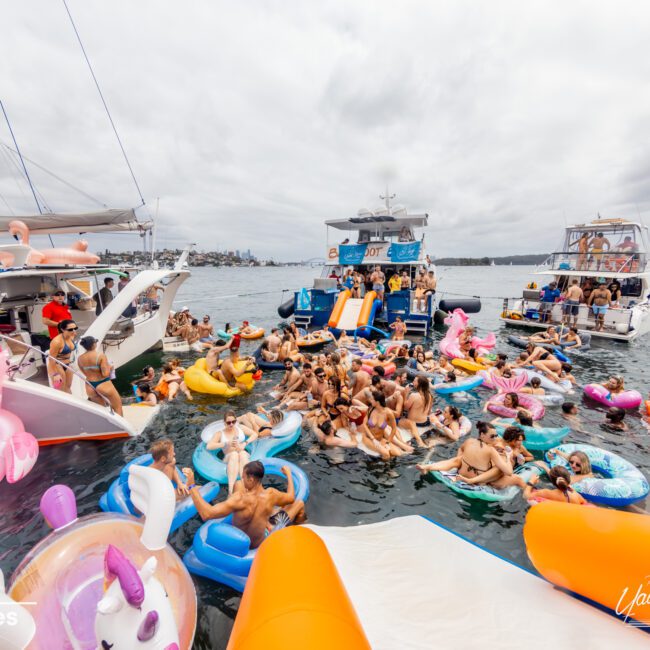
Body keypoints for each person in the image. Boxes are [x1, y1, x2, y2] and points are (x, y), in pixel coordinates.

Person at [183, 461, 306, 549]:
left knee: (279, 510)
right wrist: (289, 474)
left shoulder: (239, 499)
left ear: (251, 479)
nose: (242, 479)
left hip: (239, 543)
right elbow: (291, 497)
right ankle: (296, 529)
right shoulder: (271, 494)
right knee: (299, 504)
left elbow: (207, 514)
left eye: (243, 477)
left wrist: (192, 486)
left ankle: (275, 524)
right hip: (260, 543)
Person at [416, 421, 520, 489]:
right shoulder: (491, 450)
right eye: (492, 436)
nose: (495, 438)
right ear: (482, 435)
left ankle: (428, 467)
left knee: (458, 459)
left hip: (462, 471)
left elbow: (461, 449)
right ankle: (471, 481)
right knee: (499, 469)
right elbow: (509, 472)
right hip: (475, 477)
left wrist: (461, 461)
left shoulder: (470, 441)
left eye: (496, 435)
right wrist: (507, 456)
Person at [206, 410, 258, 494]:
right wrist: (225, 443)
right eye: (228, 422)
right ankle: (231, 490)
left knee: (242, 453)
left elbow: (255, 434)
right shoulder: (220, 433)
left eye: (233, 422)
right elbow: (209, 446)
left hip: (241, 452)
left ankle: (245, 486)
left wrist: (245, 443)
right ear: (224, 423)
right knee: (234, 454)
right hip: (229, 457)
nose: (231, 424)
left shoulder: (240, 428)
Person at [77, 336, 123, 415]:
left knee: (102, 411)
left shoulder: (80, 358)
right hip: (103, 383)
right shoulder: (100, 356)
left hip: (90, 386)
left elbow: (84, 373)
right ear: (94, 344)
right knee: (117, 407)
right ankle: (121, 427)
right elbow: (105, 374)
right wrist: (110, 367)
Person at [401, 375, 434, 448]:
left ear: (419, 384)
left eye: (414, 381)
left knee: (399, 420)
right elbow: (428, 412)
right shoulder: (430, 395)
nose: (412, 382)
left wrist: (406, 394)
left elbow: (405, 408)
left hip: (415, 423)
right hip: (425, 422)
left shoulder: (414, 395)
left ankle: (418, 442)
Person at [47, 319, 78, 393]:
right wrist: (55, 374)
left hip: (68, 364)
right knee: (61, 391)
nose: (73, 331)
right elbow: (51, 359)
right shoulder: (56, 342)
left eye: (75, 328)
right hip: (57, 365)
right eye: (70, 329)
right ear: (62, 330)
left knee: (68, 388)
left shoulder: (71, 336)